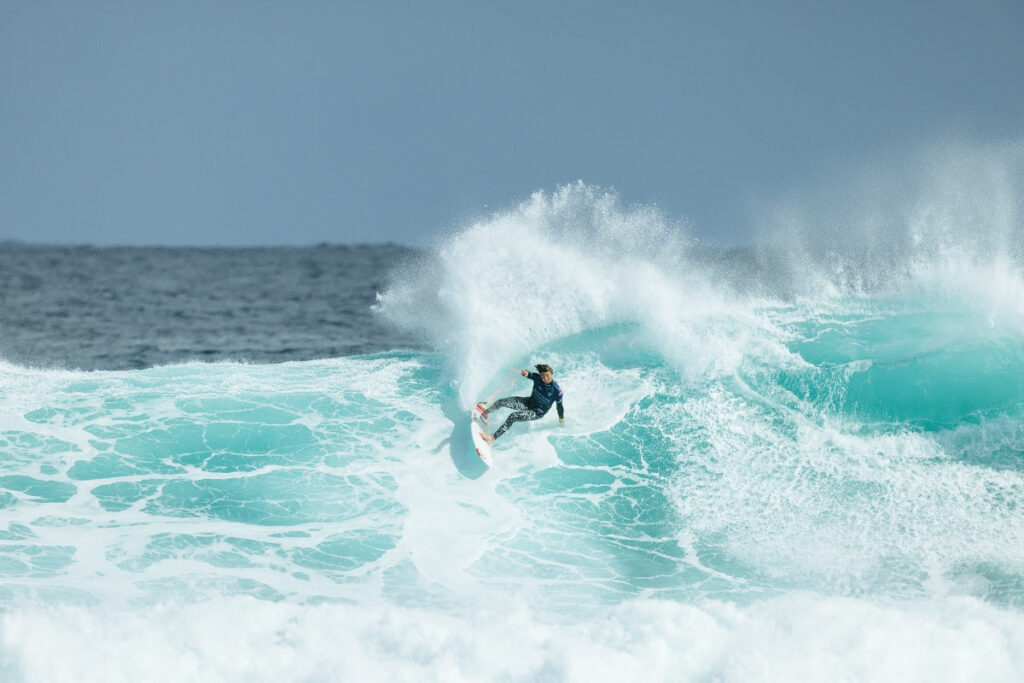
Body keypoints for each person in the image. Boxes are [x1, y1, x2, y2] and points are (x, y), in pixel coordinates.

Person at [477, 364, 564, 444]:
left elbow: (559, 406)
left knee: (513, 416)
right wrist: (525, 373)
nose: (545, 378)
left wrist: (561, 419)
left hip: (537, 412)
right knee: (502, 401)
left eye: (547, 376)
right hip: (528, 402)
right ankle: (487, 411)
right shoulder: (537, 378)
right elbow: (529, 374)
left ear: (552, 374)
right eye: (542, 376)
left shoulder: (557, 391)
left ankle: (492, 438)